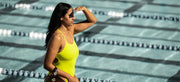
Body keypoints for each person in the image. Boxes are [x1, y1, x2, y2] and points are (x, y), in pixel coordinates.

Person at [43, 2, 97, 82]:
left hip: (69, 77)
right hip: (57, 79)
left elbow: (92, 21)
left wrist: (84, 9)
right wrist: (68, 77)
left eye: (73, 14)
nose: (73, 18)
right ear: (61, 17)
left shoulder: (70, 30)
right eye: (70, 15)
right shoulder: (57, 37)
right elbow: (47, 65)